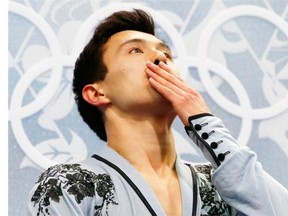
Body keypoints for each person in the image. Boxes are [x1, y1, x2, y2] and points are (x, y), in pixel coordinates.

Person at [27, 9, 288, 216]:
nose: (160, 59)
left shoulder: (221, 185)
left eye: (166, 54)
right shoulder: (70, 184)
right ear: (97, 93)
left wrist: (204, 122)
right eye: (135, 50)